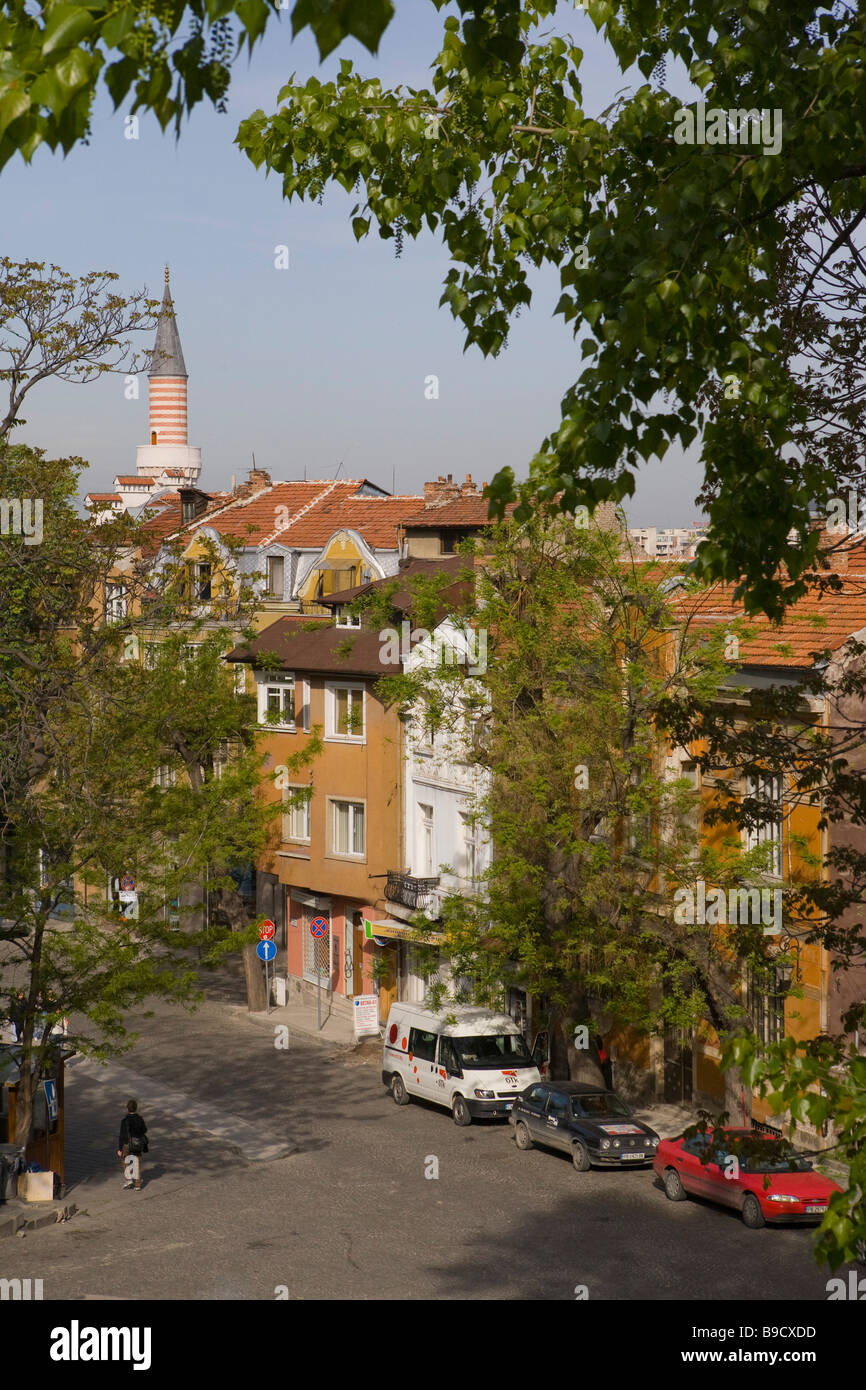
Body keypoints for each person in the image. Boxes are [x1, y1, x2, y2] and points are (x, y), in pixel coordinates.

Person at [117, 1098, 148, 1191]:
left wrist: (119, 1149)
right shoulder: (140, 1119)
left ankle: (129, 1179)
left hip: (127, 1144)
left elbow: (122, 1135)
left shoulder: (125, 1121)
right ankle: (138, 1185)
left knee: (124, 1160)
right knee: (137, 1162)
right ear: (136, 1108)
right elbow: (144, 1130)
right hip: (137, 1143)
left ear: (127, 1108)